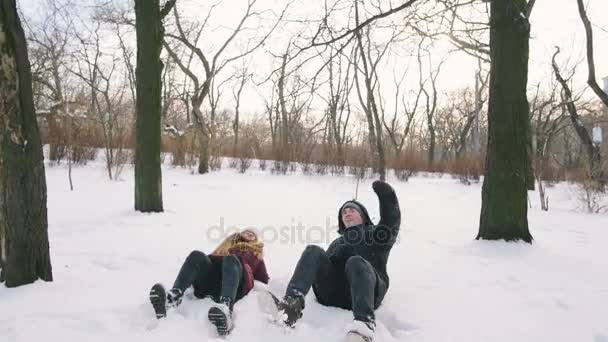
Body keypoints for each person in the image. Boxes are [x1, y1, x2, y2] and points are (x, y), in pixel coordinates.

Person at [267, 180, 400, 342]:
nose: (347, 213)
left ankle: (364, 325)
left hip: (367, 292)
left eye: (352, 210)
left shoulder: (376, 234)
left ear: (363, 216)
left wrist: (387, 196)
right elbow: (323, 267)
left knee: (355, 262)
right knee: (313, 251)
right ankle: (290, 306)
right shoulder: (337, 242)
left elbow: (390, 223)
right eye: (344, 212)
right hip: (333, 293)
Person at [149, 229, 269, 335]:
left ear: (256, 239)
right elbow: (211, 257)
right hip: (212, 279)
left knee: (231, 259)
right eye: (246, 231)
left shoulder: (256, 254)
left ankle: (226, 309)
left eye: (252, 234)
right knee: (197, 255)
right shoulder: (226, 245)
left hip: (235, 284)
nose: (249, 234)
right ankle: (172, 298)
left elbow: (264, 280)